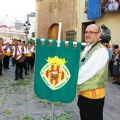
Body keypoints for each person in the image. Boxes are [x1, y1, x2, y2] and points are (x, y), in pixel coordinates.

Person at [77, 24, 109, 120]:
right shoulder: (88, 48)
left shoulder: (101, 51)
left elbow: (86, 71)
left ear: (98, 34)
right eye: (86, 32)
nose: (87, 34)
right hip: (84, 95)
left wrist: (68, 79)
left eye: (91, 32)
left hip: (93, 97)